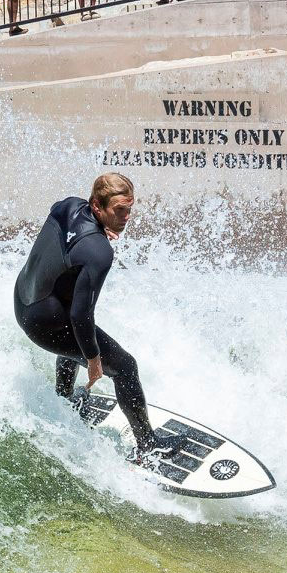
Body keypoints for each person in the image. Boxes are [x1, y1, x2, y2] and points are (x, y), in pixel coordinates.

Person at [14, 173, 184, 462]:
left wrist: (94, 230)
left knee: (69, 329)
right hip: (46, 325)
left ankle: (64, 400)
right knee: (126, 366)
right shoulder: (99, 252)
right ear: (96, 206)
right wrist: (94, 361)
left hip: (23, 302)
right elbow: (82, 315)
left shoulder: (66, 206)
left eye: (129, 210)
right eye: (119, 210)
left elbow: (69, 234)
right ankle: (147, 445)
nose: (127, 217)